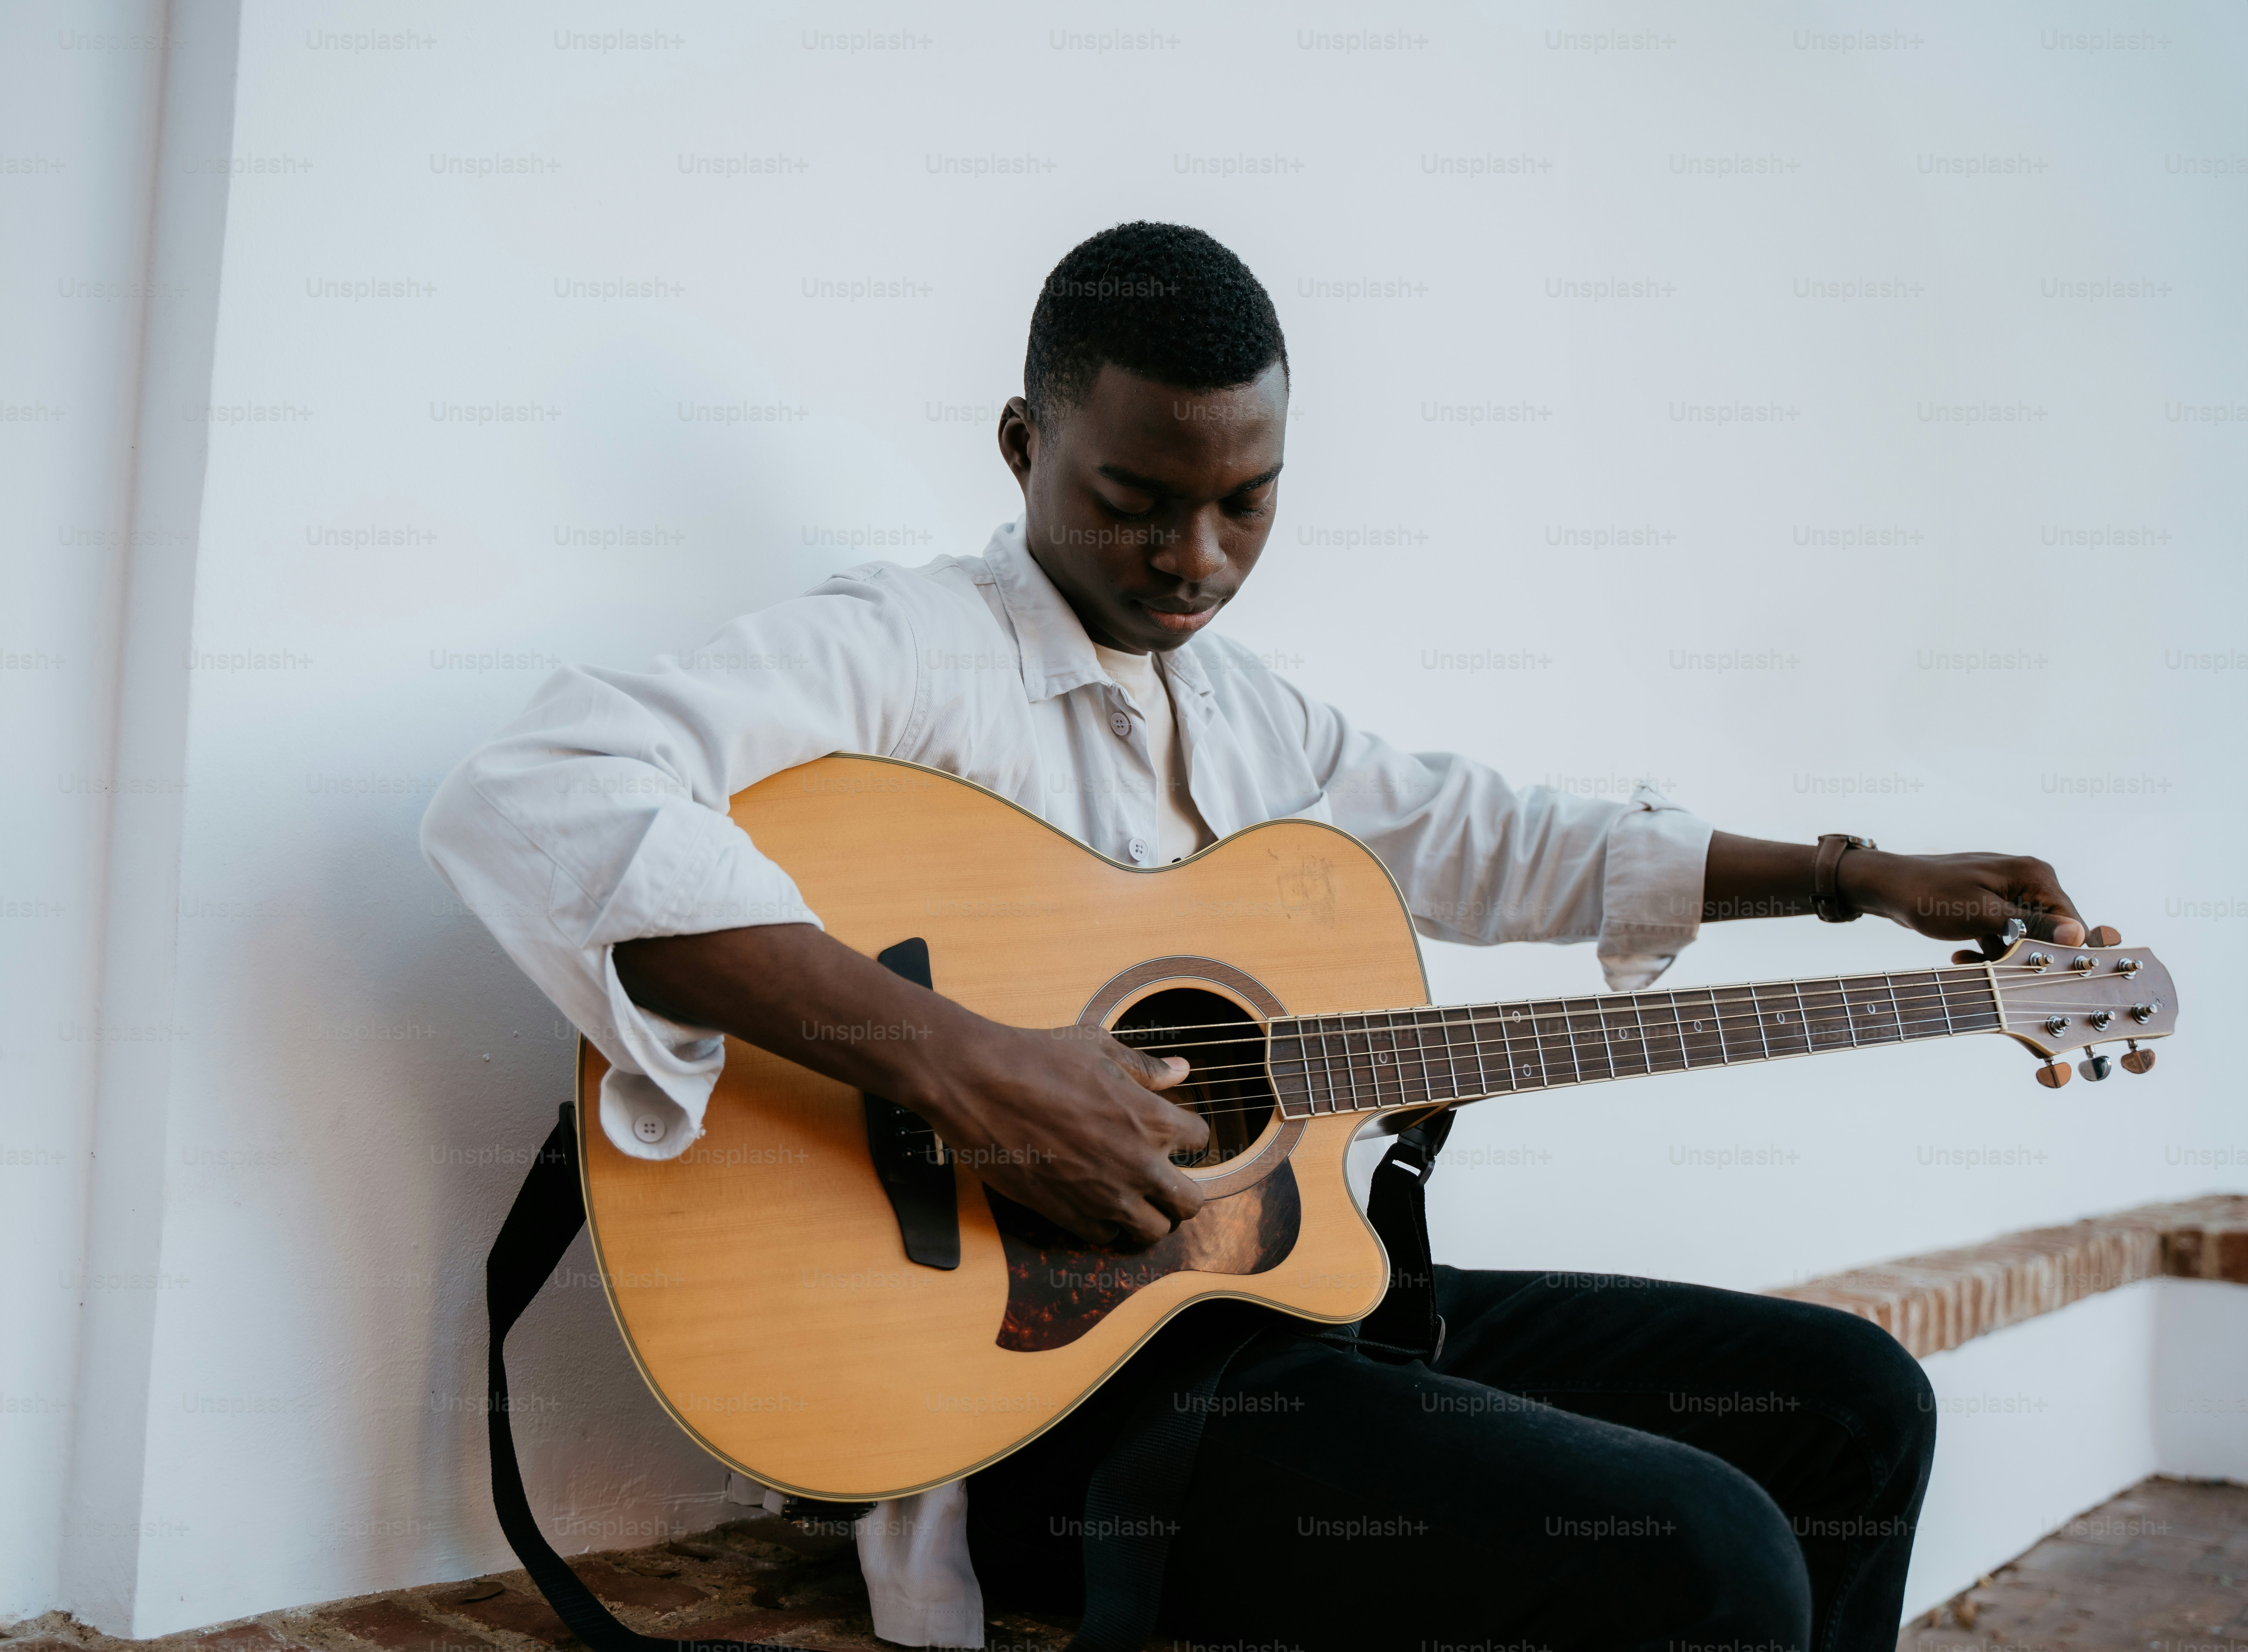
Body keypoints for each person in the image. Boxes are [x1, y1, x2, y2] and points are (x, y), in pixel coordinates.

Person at [422, 222, 2089, 1651]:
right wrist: (970, 1068)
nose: (1194, 560)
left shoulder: (1239, 713)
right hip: (1046, 1415)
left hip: (1275, 1318)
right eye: (1138, 498)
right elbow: (546, 792)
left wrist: (1848, 876)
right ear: (1023, 443)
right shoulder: (910, 649)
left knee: (1856, 1402)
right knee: (1705, 1552)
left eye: (1247, 505)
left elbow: (1494, 834)